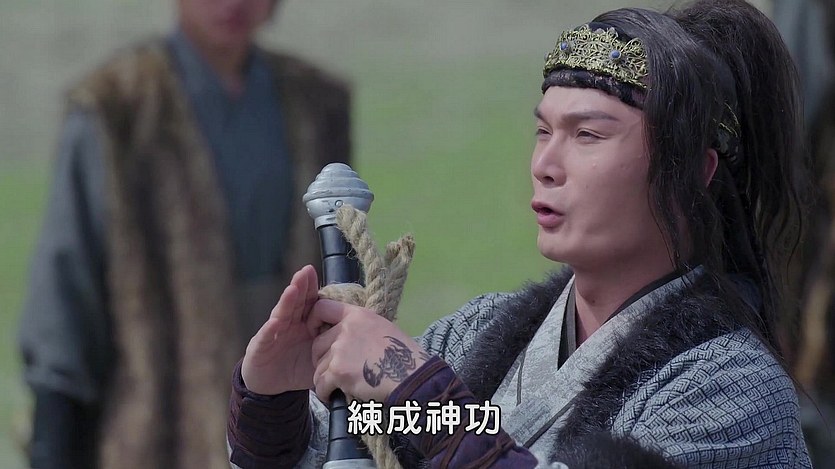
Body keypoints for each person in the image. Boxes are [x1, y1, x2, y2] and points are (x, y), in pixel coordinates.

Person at [226, 0, 812, 467]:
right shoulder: (474, 334)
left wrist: (417, 390)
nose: (546, 164)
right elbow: (347, 446)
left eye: (588, 135)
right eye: (543, 132)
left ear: (693, 170)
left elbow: (425, 408)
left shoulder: (734, 391)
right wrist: (273, 400)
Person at [17, 0, 351, 468]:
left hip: (294, 415)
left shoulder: (315, 102)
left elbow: (342, 266)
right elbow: (65, 295)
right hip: (155, 420)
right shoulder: (115, 107)